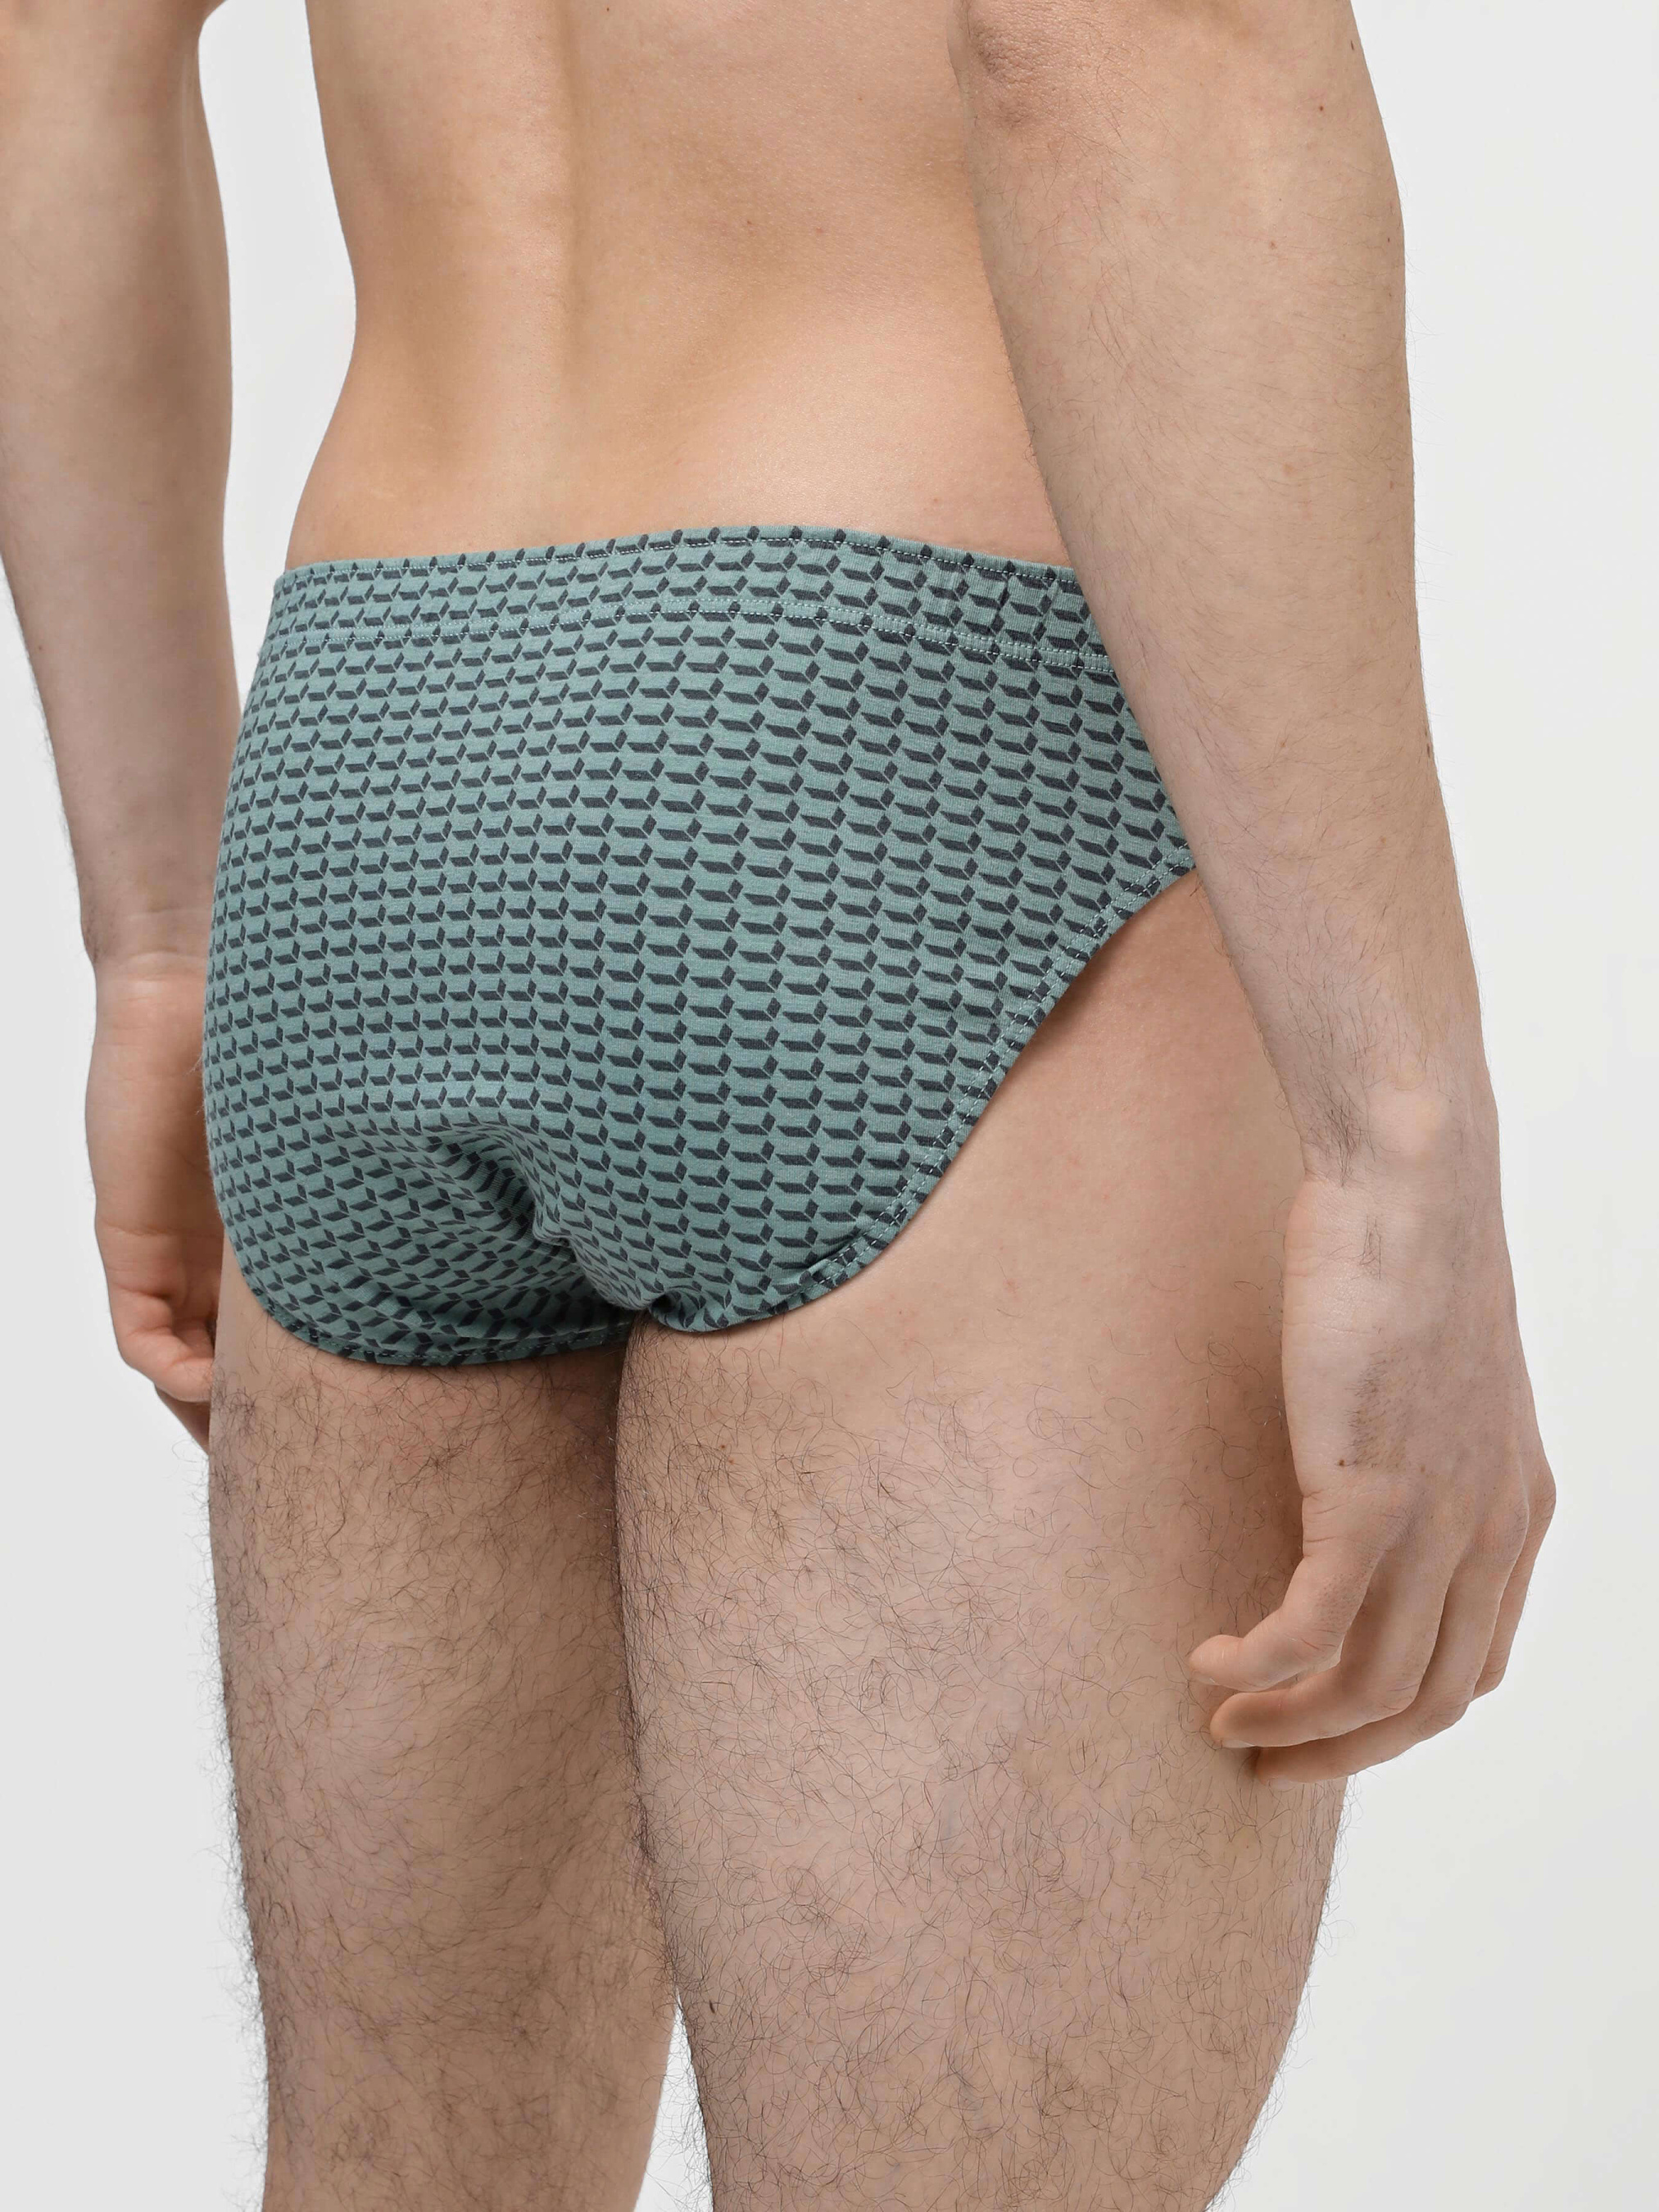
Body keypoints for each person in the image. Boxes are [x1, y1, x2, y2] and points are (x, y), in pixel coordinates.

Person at [0, 2, 1555, 2205]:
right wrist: (1399, 1130)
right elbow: (1111, 39)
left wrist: (157, 941)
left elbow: (52, 57)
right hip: (907, 754)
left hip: (373, 787)